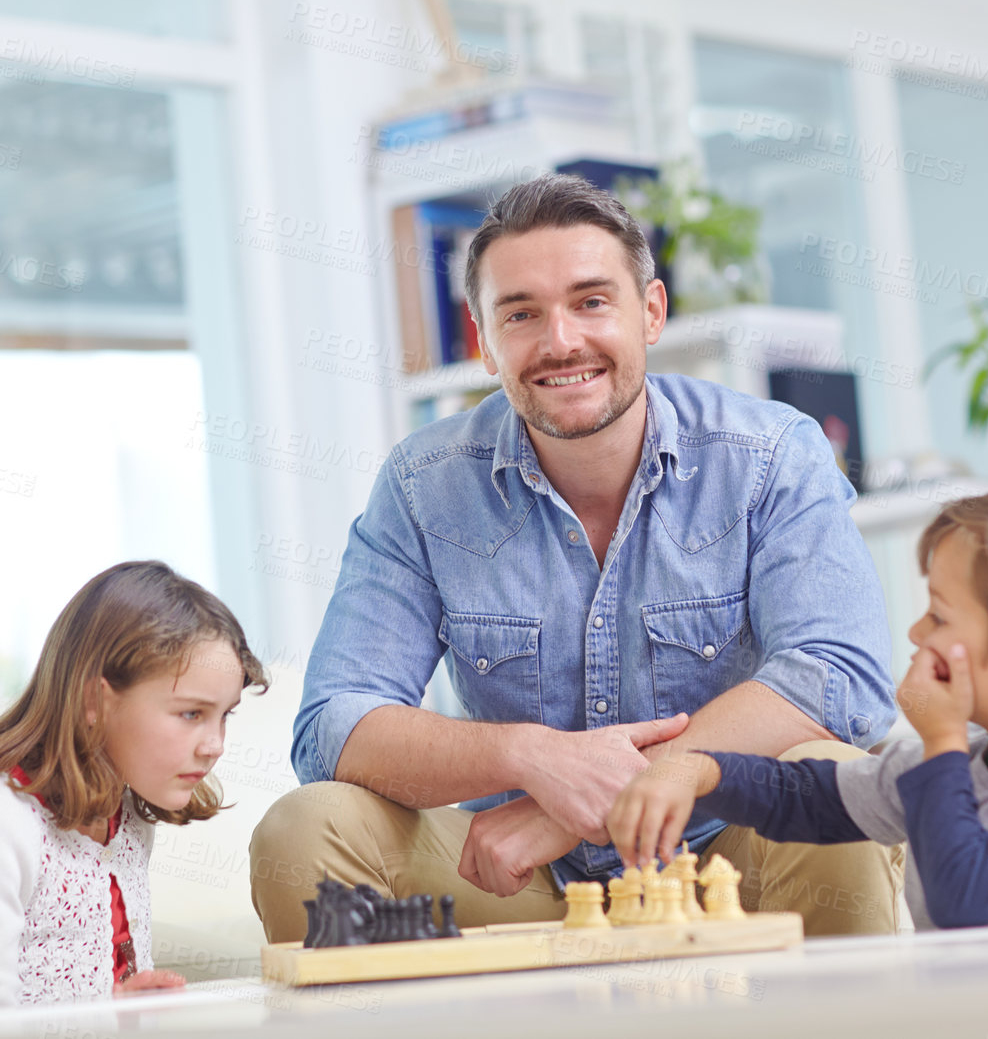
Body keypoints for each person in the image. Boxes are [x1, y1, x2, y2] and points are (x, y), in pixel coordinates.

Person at [251, 173, 902, 943]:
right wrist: (532, 760)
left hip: (725, 855)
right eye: (521, 314)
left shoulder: (770, 455)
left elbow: (839, 673)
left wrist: (628, 789)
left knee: (830, 783)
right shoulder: (423, 485)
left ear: (650, 312)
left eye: (592, 302)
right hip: (515, 878)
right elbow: (334, 724)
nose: (560, 342)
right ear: (485, 341)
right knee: (307, 831)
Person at [609, 485, 988, 928]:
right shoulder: (952, 765)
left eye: (941, 618)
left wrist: (943, 739)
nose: (916, 630)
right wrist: (698, 769)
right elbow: (807, 798)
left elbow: (971, 903)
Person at [0, 561, 268, 1014]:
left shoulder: (126, 822)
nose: (215, 745)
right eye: (191, 714)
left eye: (225, 715)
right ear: (94, 700)